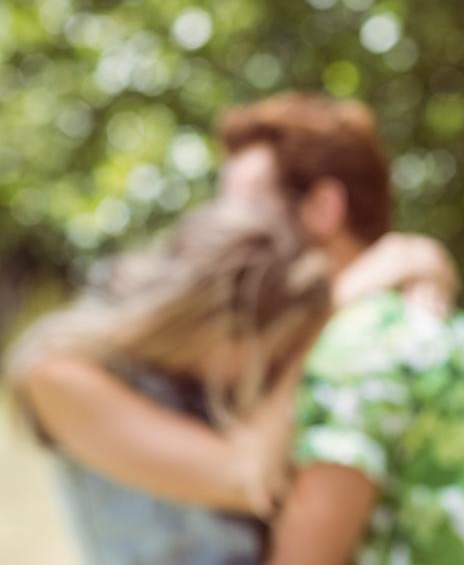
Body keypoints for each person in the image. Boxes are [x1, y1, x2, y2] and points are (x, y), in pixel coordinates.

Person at [13, 93, 464, 565]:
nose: (236, 226)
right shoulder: (60, 373)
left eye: (248, 205)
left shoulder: (336, 344)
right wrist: (348, 300)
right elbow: (244, 475)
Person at [7, 202, 332, 565]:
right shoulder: (59, 372)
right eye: (269, 353)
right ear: (218, 325)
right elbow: (245, 479)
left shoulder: (199, 378)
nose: (273, 367)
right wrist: (318, 339)